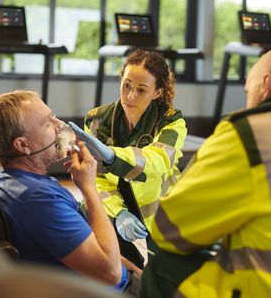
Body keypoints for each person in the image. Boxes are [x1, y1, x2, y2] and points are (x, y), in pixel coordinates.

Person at [141, 44, 271, 297]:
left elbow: (170, 230)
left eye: (248, 91)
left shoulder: (251, 135)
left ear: (266, 84)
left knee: (163, 266)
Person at [0, 90, 139, 294]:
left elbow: (88, 241)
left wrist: (137, 273)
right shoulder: (38, 199)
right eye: (47, 123)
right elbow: (110, 272)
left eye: (54, 116)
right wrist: (89, 189)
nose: (60, 125)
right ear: (23, 145)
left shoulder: (11, 182)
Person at [69, 49, 187, 268]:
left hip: (161, 212)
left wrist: (111, 155)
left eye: (142, 90)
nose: (131, 96)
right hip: (114, 205)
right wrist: (119, 212)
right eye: (127, 85)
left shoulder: (171, 123)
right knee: (120, 269)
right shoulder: (96, 120)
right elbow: (96, 179)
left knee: (163, 276)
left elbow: (156, 161)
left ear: (157, 92)